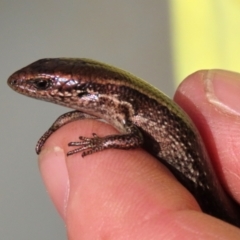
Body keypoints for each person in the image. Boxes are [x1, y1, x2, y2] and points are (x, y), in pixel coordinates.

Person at [38, 70, 240, 239]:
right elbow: (79, 114)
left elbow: (133, 139)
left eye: (42, 84)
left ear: (82, 91)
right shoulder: (110, 103)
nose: (37, 90)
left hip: (211, 204)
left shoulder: (119, 104)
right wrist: (56, 126)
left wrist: (100, 142)